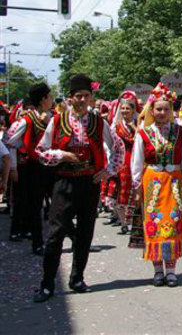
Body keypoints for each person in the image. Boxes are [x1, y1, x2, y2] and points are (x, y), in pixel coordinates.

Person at [33, 74, 124, 303]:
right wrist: (62, 155)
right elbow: (41, 150)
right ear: (70, 98)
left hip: (89, 183)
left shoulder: (98, 122)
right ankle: (47, 284)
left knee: (85, 234)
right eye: (78, 96)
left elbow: (118, 147)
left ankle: (77, 278)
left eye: (86, 96)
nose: (82, 100)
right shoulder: (57, 120)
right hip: (64, 183)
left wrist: (108, 171)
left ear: (91, 98)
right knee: (55, 234)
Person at [128, 83, 182, 287]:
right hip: (152, 184)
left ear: (171, 111)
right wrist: (137, 185)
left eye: (166, 109)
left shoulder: (180, 132)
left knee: (173, 224)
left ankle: (172, 270)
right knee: (154, 225)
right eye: (158, 109)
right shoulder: (144, 133)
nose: (162, 113)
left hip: (175, 183)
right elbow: (137, 161)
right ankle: (158, 270)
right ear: (151, 110)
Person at [4, 84, 55, 254]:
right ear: (43, 100)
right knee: (34, 206)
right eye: (50, 96)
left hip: (51, 167)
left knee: (57, 204)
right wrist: (13, 166)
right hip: (33, 168)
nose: (52, 99)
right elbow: (9, 142)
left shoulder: (53, 118)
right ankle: (37, 242)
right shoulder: (26, 120)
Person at [111, 91, 140, 234]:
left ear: (133, 110)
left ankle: (134, 220)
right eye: (122, 108)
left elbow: (142, 139)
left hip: (136, 158)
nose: (124, 111)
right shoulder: (116, 126)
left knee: (136, 189)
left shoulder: (138, 124)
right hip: (122, 159)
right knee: (122, 189)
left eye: (127, 108)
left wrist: (134, 127)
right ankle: (123, 221)